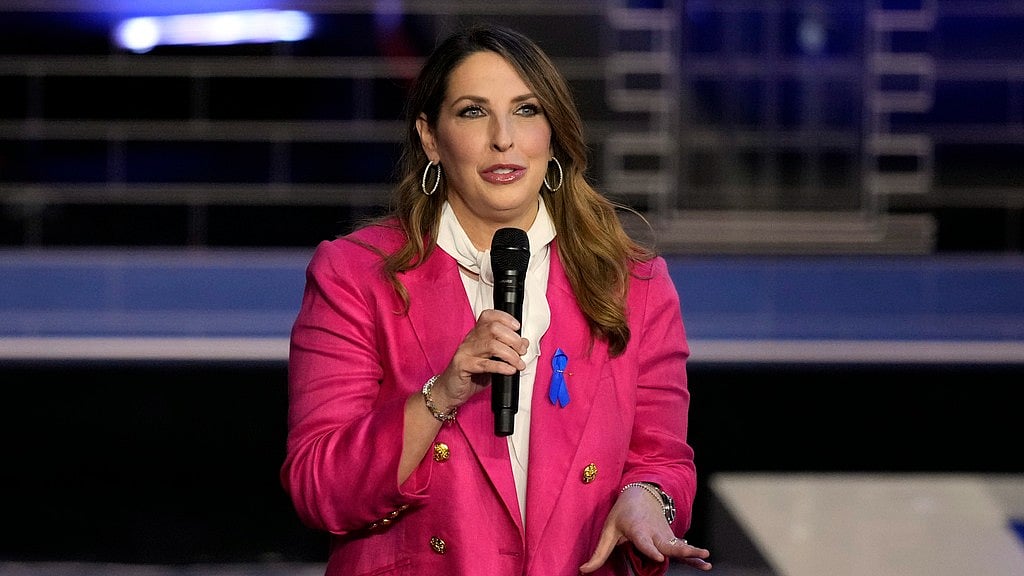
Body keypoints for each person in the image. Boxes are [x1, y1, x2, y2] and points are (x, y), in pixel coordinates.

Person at [281, 23, 712, 576]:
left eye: (527, 110)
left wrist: (648, 500)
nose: (503, 138)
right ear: (431, 137)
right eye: (473, 111)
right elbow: (320, 489)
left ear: (553, 133)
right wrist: (445, 389)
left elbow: (662, 460)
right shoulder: (354, 275)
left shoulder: (633, 283)